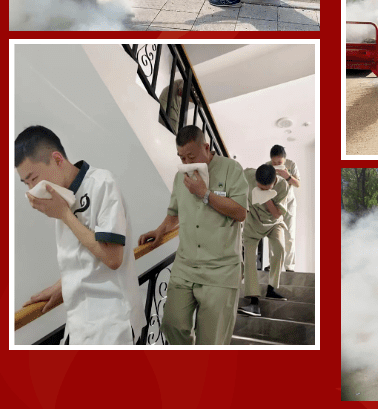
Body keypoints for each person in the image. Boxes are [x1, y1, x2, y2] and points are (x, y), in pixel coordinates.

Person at [15, 126, 145, 345]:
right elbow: (84, 254)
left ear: (57, 159)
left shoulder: (102, 184)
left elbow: (113, 258)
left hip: (113, 322)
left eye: (34, 178)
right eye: (26, 184)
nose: (32, 189)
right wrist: (63, 284)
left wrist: (65, 215)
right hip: (80, 322)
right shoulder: (63, 197)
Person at [138, 125, 248, 344]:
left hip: (221, 271)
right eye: (181, 157)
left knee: (211, 341)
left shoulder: (231, 169)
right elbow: (174, 214)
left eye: (191, 156)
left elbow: (240, 212)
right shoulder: (181, 178)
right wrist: (159, 231)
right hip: (185, 267)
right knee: (171, 324)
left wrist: (205, 194)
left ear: (206, 147)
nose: (187, 163)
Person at [239, 164, 290, 318]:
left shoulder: (283, 186)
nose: (260, 189)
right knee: (249, 257)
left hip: (273, 223)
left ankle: (272, 288)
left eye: (265, 188)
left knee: (279, 248)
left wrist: (266, 197)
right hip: (253, 221)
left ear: (274, 182)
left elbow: (276, 214)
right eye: (258, 187)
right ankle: (254, 302)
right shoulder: (248, 174)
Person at [268, 145, 301, 272]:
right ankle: (273, 264)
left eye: (279, 162)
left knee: (289, 236)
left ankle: (289, 267)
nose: (276, 164)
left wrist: (287, 176)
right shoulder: (267, 166)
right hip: (274, 204)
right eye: (274, 162)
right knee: (272, 235)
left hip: (289, 204)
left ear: (285, 159)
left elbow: (298, 184)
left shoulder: (291, 164)